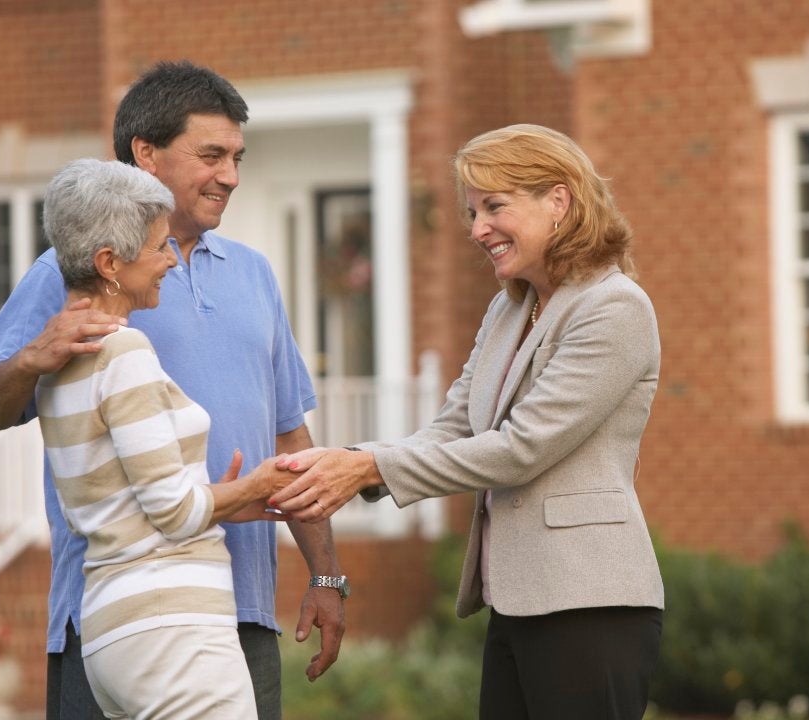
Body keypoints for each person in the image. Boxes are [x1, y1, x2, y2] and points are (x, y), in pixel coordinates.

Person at [0, 61, 345, 720]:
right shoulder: (74, 270)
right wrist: (34, 356)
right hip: (116, 617)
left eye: (236, 157)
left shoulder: (254, 275)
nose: (229, 174)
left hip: (239, 606)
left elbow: (290, 437)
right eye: (211, 155)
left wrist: (325, 574)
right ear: (146, 154)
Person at [270, 123, 664, 720]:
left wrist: (371, 466)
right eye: (473, 211)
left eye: (494, 207)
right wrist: (351, 462)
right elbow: (454, 426)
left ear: (558, 201)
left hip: (591, 605)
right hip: (517, 602)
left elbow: (521, 448)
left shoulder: (614, 308)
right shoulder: (510, 309)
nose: (478, 229)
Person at [37, 157, 289, 717]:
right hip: (172, 629)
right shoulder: (124, 353)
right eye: (157, 248)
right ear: (109, 263)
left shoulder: (58, 365)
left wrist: (224, 503)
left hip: (115, 626)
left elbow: (128, 504)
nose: (170, 262)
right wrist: (253, 487)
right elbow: (173, 513)